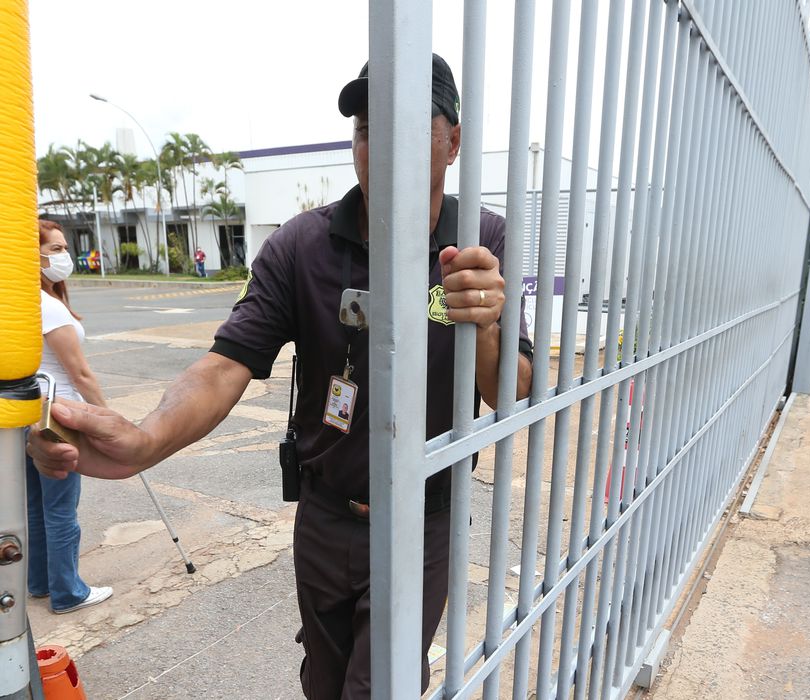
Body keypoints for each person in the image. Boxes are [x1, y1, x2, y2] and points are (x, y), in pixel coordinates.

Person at [27, 54, 534, 696]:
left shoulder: (483, 238)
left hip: (421, 522)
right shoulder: (301, 246)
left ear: (453, 141)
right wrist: (145, 439)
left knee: (380, 686)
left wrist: (485, 323)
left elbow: (509, 388)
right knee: (323, 681)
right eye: (366, 128)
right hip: (323, 516)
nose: (380, 145)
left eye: (408, 125)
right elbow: (224, 364)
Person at [28, 220, 113, 614]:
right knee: (61, 508)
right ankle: (68, 592)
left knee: (36, 506)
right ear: (35, 254)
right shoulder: (46, 306)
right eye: (56, 248)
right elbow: (80, 374)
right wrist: (108, 417)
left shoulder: (24, 300)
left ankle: (40, 582)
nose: (64, 256)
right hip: (57, 416)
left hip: (27, 414)